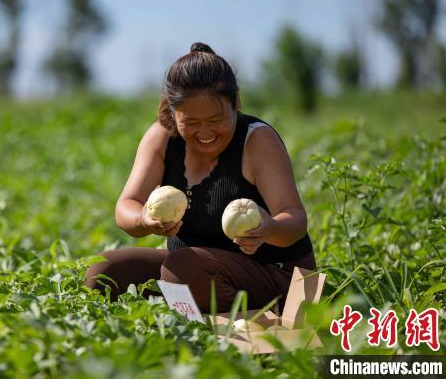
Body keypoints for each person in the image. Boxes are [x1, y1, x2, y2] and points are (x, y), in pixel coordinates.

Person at [85, 42, 315, 313]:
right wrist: (143, 219)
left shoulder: (256, 140)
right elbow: (127, 206)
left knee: (182, 270)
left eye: (216, 120)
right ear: (173, 113)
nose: (205, 132)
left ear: (236, 103)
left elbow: (295, 218)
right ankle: (191, 309)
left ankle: (232, 319)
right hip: (194, 271)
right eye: (191, 123)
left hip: (279, 277)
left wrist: (269, 228)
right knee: (104, 272)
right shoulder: (162, 138)